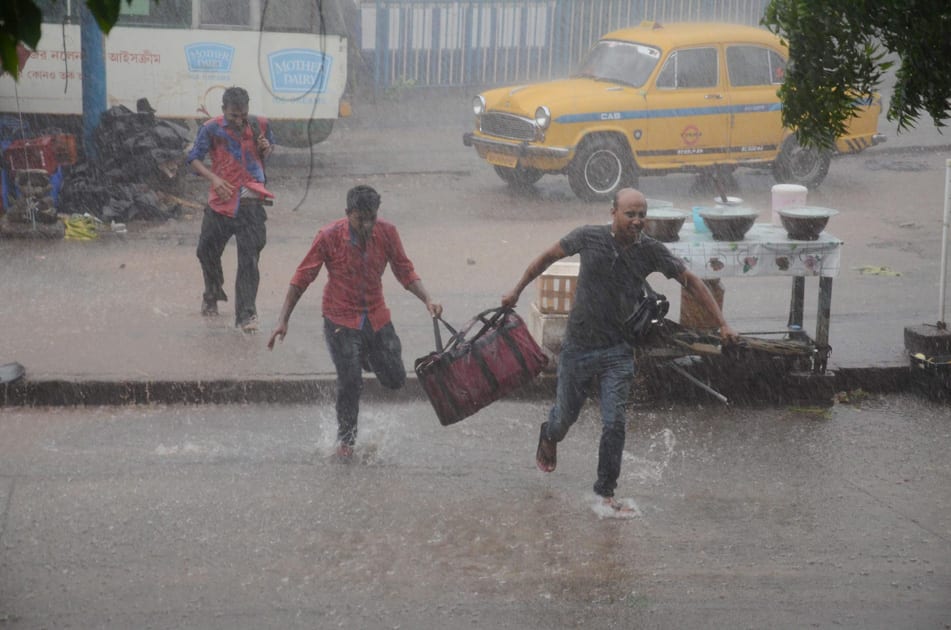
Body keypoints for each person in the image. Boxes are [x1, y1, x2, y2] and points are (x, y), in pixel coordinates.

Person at [501, 187, 739, 512]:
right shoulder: (588, 237)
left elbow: (691, 281)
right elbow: (546, 258)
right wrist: (515, 291)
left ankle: (605, 493)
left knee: (614, 422)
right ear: (613, 212)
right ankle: (549, 434)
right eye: (630, 214)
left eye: (642, 215)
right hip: (579, 346)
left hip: (618, 349)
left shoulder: (651, 251)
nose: (637, 221)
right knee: (565, 418)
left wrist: (722, 323)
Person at [267, 185, 442, 458]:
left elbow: (405, 271)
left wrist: (428, 299)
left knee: (395, 378)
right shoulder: (328, 236)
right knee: (350, 382)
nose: (368, 224)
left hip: (376, 316)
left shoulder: (387, 233)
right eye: (361, 218)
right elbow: (302, 277)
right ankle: (345, 442)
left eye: (372, 217)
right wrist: (282, 320)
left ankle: (362, 358)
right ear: (348, 214)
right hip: (340, 320)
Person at [187, 86, 274, 333]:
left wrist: (267, 148)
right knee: (205, 251)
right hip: (221, 201)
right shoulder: (211, 128)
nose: (239, 120)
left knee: (249, 260)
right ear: (223, 110)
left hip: (251, 202)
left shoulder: (261, 124)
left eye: (242, 115)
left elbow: (269, 151)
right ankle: (213, 291)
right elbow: (193, 159)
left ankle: (246, 315)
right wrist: (214, 179)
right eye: (233, 116)